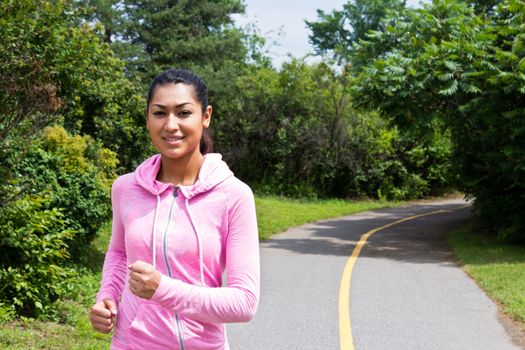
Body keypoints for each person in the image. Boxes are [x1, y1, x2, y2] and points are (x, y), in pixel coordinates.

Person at [89, 68, 260, 349]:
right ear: (147, 118)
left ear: (206, 116)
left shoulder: (233, 195)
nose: (170, 125)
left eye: (183, 113)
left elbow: (244, 303)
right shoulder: (125, 188)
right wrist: (107, 296)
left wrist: (161, 289)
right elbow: (120, 253)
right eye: (159, 113)